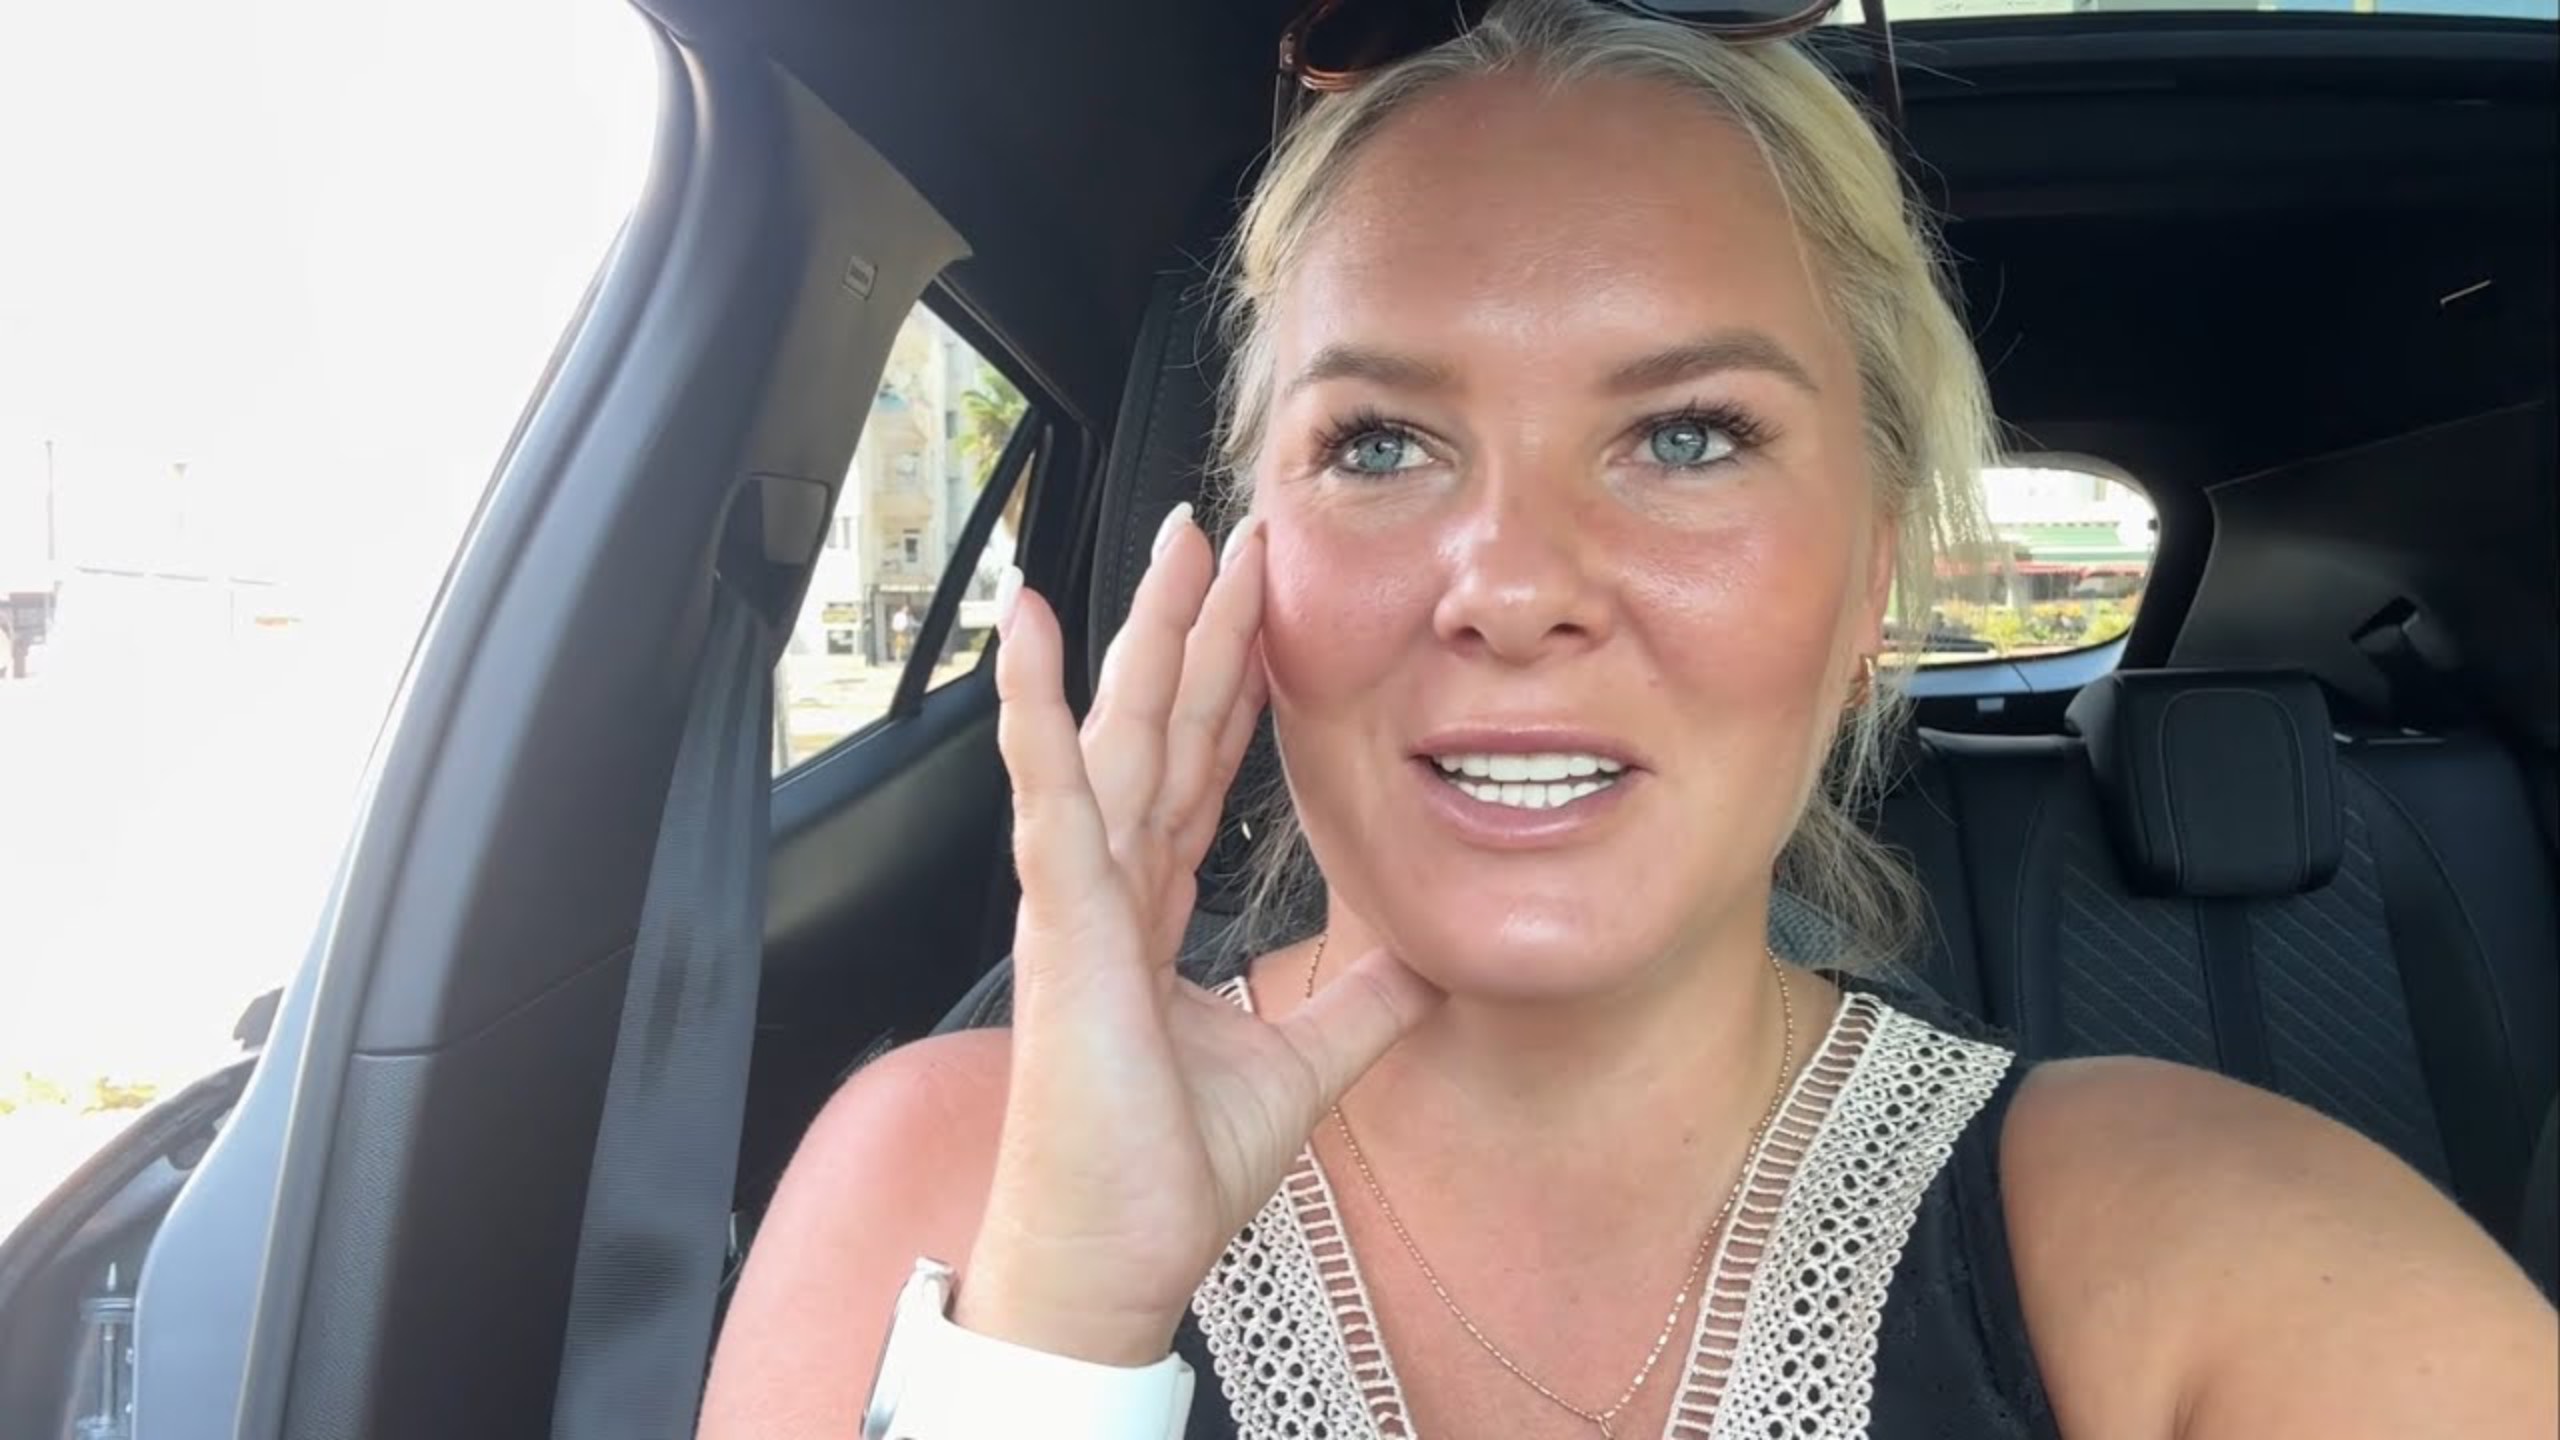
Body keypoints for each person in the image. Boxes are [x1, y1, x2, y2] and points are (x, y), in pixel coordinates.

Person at [702, 2, 2558, 1436]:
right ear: (1250, 570)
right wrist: (1058, 1326)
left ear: (1870, 589)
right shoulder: (931, 1187)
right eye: (1382, 443)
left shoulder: (2218, 1253)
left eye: (1686, 437)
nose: (1512, 584)